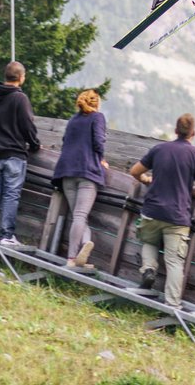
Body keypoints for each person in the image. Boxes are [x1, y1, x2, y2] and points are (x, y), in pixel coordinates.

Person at [129, 113, 195, 307]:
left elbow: (135, 171)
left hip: (153, 210)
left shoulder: (159, 149)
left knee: (149, 241)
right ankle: (172, 305)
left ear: (175, 131)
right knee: (174, 262)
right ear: (193, 133)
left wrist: (147, 180)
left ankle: (149, 269)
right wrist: (185, 189)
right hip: (177, 215)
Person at [0, 61, 41, 248]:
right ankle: (7, 235)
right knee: (11, 195)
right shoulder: (20, 99)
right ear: (21, 77)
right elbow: (28, 125)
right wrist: (34, 144)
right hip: (14, 154)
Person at [51, 89, 109, 268]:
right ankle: (72, 258)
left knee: (79, 216)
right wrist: (102, 160)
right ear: (96, 103)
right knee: (80, 215)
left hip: (67, 171)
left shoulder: (73, 120)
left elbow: (65, 140)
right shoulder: (97, 117)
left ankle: (84, 246)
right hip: (87, 171)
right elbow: (98, 141)